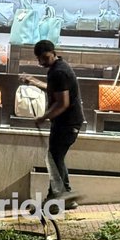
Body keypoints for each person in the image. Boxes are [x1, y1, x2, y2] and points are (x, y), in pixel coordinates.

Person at [20, 40, 83, 209]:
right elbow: (53, 89)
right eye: (39, 59)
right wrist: (33, 80)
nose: (42, 62)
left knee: (54, 159)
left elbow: (63, 102)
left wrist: (44, 117)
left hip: (67, 123)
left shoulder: (59, 72)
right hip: (69, 122)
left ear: (53, 53)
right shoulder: (58, 67)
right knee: (56, 158)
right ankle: (66, 196)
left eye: (45, 58)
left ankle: (55, 200)